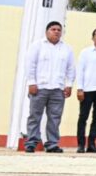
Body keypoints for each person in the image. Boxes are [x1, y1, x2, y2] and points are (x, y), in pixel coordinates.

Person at [24, 21, 75, 153]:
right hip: (39, 87)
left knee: (55, 118)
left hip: (58, 89)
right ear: (47, 31)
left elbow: (70, 68)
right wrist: (31, 82)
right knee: (35, 116)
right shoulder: (37, 46)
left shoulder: (67, 48)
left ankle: (52, 144)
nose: (56, 31)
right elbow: (30, 65)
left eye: (59, 30)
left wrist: (69, 85)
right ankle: (31, 143)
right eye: (53, 29)